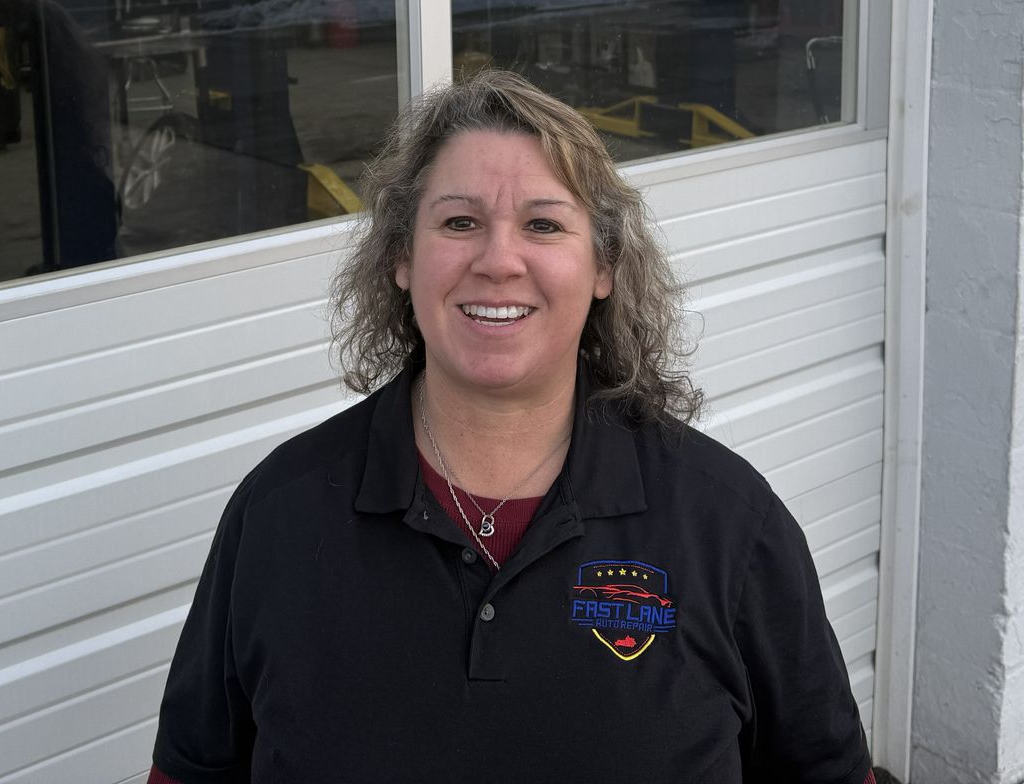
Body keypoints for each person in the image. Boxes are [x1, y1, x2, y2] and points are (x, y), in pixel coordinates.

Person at [148, 70, 874, 783]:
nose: (498, 261)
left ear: (604, 267)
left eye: (543, 224)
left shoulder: (729, 524)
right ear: (402, 257)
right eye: (459, 222)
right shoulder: (279, 512)